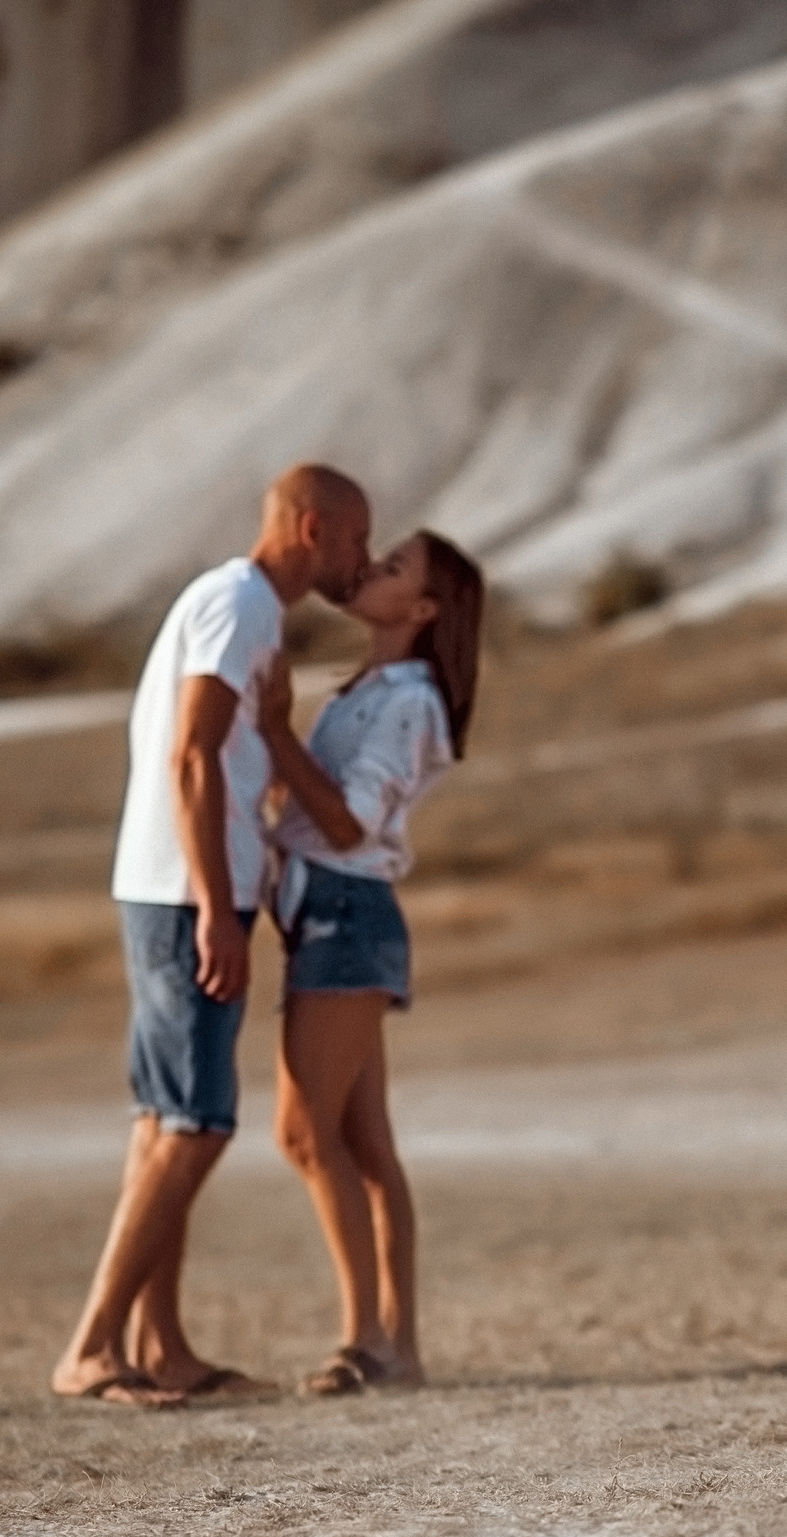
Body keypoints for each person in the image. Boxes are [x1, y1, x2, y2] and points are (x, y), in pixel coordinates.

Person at [51, 465, 372, 1408]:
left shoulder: (228, 600)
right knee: (195, 1123)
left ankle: (161, 1344)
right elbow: (192, 751)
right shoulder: (243, 605)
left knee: (164, 1122)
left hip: (170, 884)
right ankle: (91, 1348)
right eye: (356, 539)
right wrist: (211, 901)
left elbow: (214, 756)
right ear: (312, 529)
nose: (360, 558)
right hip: (186, 892)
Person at [255, 530, 483, 1396]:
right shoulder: (368, 691)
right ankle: (402, 1351)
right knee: (363, 1143)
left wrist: (274, 730)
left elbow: (347, 825)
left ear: (421, 612)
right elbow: (313, 810)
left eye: (395, 570)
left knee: (305, 1134)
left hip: (344, 914)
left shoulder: (406, 701)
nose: (374, 570)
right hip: (330, 912)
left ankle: (364, 1341)